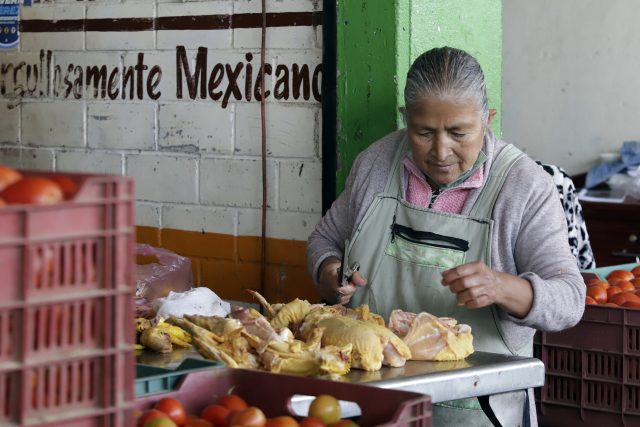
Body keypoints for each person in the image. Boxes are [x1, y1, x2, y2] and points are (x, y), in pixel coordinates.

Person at [306, 46, 585, 426]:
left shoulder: (523, 186)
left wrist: (502, 288)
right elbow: (324, 240)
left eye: (459, 133)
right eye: (423, 132)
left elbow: (570, 299)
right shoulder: (375, 163)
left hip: (476, 411)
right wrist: (330, 272)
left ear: (487, 119)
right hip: (371, 402)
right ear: (406, 119)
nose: (441, 151)